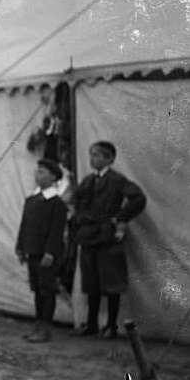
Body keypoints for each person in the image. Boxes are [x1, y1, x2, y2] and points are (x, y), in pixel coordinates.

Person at [71, 140, 146, 339]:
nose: (93, 158)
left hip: (108, 237)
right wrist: (79, 219)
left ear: (110, 159)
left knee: (111, 283)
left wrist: (120, 218)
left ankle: (111, 326)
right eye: (91, 154)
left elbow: (138, 199)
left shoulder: (117, 180)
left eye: (97, 155)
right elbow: (76, 200)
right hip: (88, 236)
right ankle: (92, 324)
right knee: (91, 282)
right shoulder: (87, 180)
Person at [14, 159, 67, 343]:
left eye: (43, 172)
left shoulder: (57, 203)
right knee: (37, 289)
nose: (38, 175)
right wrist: (20, 247)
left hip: (47, 254)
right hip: (32, 251)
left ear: (53, 177)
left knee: (47, 289)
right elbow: (24, 225)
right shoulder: (31, 200)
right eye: (37, 171)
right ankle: (37, 325)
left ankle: (45, 328)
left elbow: (56, 231)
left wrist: (50, 253)